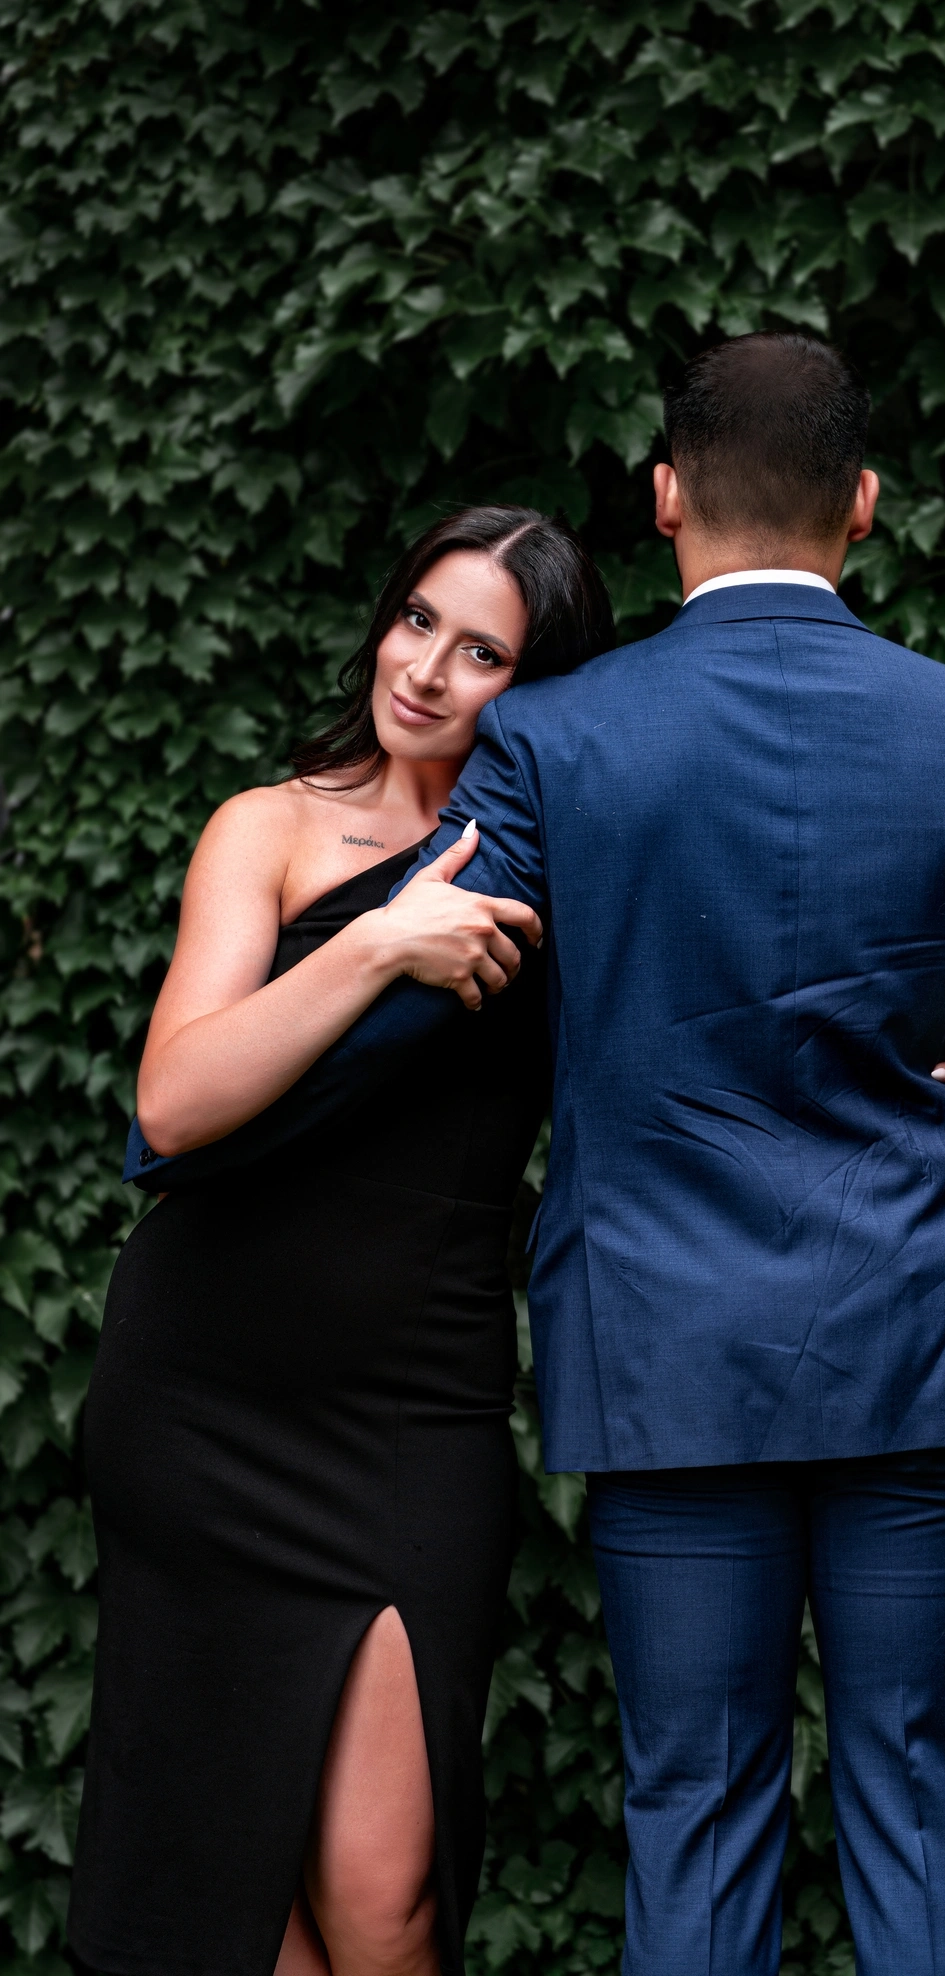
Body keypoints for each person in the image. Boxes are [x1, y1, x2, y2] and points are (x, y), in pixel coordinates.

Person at [112, 333, 945, 1975]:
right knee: (926, 1800)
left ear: (664, 498)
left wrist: (207, 1122)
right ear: (861, 505)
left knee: (696, 1809)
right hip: (918, 1340)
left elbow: (419, 986)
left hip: (664, 1350)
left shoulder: (563, 740)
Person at [68, 507, 618, 1976]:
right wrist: (381, 941)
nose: (428, 670)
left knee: (385, 1901)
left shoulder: (569, 873)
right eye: (418, 620)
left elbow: (730, 1000)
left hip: (408, 1409)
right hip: (204, 1390)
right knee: (237, 1900)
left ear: (544, 684)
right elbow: (177, 1102)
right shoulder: (272, 826)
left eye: (484, 650)